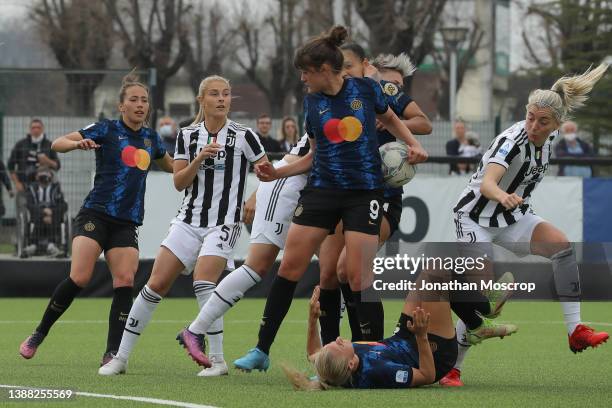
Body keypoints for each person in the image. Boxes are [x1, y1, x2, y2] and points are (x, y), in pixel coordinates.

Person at [232, 26, 428, 372]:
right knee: (291, 266)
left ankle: (374, 356)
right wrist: (278, 174)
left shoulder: (367, 89)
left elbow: (391, 119)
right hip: (322, 191)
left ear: (324, 69)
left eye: (306, 72)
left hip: (363, 193)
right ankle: (261, 350)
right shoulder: (312, 102)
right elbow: (315, 155)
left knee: (357, 276)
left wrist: (413, 144)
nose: (303, 79)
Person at [441, 63, 610, 387]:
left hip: (510, 217)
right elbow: (489, 183)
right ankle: (453, 368)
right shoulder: (513, 140)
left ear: (556, 124)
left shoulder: (551, 135)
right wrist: (503, 196)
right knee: (482, 297)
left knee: (562, 248)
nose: (533, 125)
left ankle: (575, 331)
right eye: (530, 117)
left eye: (542, 121)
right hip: (474, 216)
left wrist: (508, 203)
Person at [99, 75, 267, 376]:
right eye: (214, 94)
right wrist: (199, 159)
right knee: (155, 285)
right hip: (189, 220)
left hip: (224, 223)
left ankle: (217, 361)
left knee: (204, 282)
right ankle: (120, 357)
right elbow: (178, 182)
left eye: (226, 94)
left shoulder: (244, 135)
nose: (222, 99)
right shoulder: (188, 136)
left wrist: (254, 198)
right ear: (201, 100)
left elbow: (267, 173)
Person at [19, 72, 173, 367]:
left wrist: (197, 164)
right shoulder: (105, 129)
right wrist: (79, 144)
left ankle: (112, 353)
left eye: (144, 100)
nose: (140, 105)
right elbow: (58, 144)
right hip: (96, 214)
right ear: (121, 106)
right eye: (134, 100)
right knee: (80, 276)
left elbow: (172, 168)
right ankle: (39, 333)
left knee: (125, 280)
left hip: (127, 222)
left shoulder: (152, 138)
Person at [166, 133, 311, 377]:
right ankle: (196, 329)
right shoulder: (335, 105)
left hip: (321, 189)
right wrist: (258, 192)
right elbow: (309, 156)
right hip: (288, 185)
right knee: (258, 266)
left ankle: (342, 355)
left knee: (333, 270)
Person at [317, 47, 433, 345]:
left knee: (350, 269)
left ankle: (369, 346)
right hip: (339, 192)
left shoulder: (383, 90)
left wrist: (390, 120)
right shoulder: (329, 96)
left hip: (380, 196)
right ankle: (330, 352)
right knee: (330, 273)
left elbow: (424, 123)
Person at [282, 276, 458, 389]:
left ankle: (475, 317)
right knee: (436, 277)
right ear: (350, 364)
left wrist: (312, 320)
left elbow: (313, 354)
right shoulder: (378, 371)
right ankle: (475, 323)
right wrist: (421, 336)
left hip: (403, 338)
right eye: (338, 345)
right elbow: (427, 376)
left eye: (330, 343)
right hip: (434, 355)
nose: (337, 339)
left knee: (427, 276)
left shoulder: (336, 367)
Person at [8, 119, 60, 212]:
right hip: (25, 187)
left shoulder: (49, 144)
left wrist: (47, 161)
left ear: (43, 129)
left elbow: (57, 166)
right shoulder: (21, 144)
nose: (36, 130)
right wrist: (17, 184)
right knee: (23, 213)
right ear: (29, 129)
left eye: (38, 127)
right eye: (33, 127)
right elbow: (10, 166)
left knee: (44, 213)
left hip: (45, 187)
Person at [23, 166, 67, 257]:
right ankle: (35, 245)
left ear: (51, 176)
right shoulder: (31, 189)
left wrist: (51, 212)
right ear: (36, 177)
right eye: (41, 173)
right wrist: (43, 212)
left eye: (46, 173)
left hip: (53, 216)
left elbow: (63, 205)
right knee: (40, 216)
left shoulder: (56, 188)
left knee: (53, 216)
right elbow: (29, 205)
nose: (44, 176)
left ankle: (49, 245)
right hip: (36, 216)